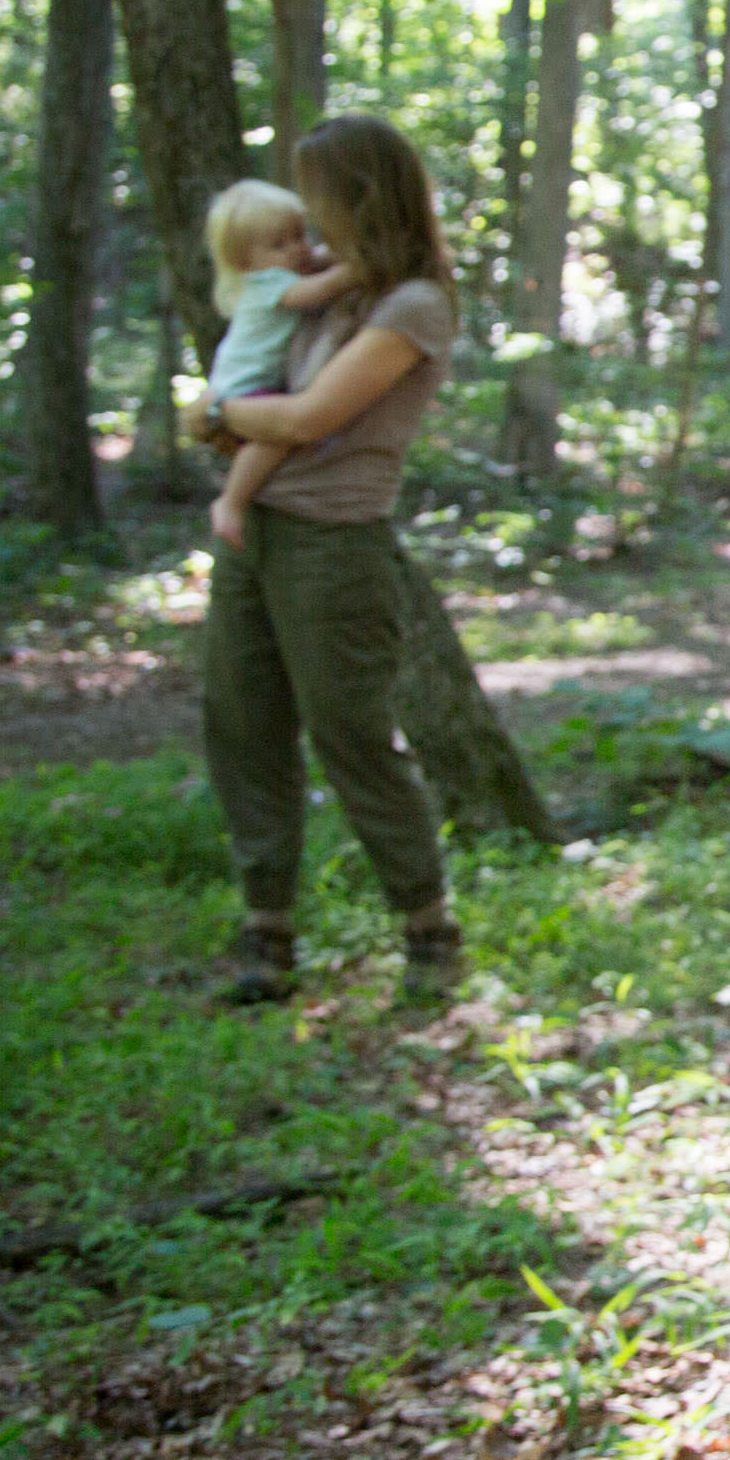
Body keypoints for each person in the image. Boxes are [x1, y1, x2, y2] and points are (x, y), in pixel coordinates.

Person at [192, 116, 466, 1006]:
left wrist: (223, 416)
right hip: (255, 535)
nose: (305, 219)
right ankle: (265, 930)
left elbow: (310, 418)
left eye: (316, 198)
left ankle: (428, 930)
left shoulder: (411, 305)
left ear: (357, 198)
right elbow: (257, 394)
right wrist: (230, 417)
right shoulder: (315, 290)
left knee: (350, 735)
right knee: (242, 724)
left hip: (334, 545)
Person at [197, 179, 367, 553]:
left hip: (248, 381)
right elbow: (313, 292)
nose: (297, 249)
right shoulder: (267, 284)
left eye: (299, 235)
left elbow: (317, 260)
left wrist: (334, 255)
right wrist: (356, 268)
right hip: (245, 385)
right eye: (279, 243)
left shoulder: (280, 268)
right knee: (273, 439)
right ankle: (231, 502)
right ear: (246, 261)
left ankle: (234, 500)